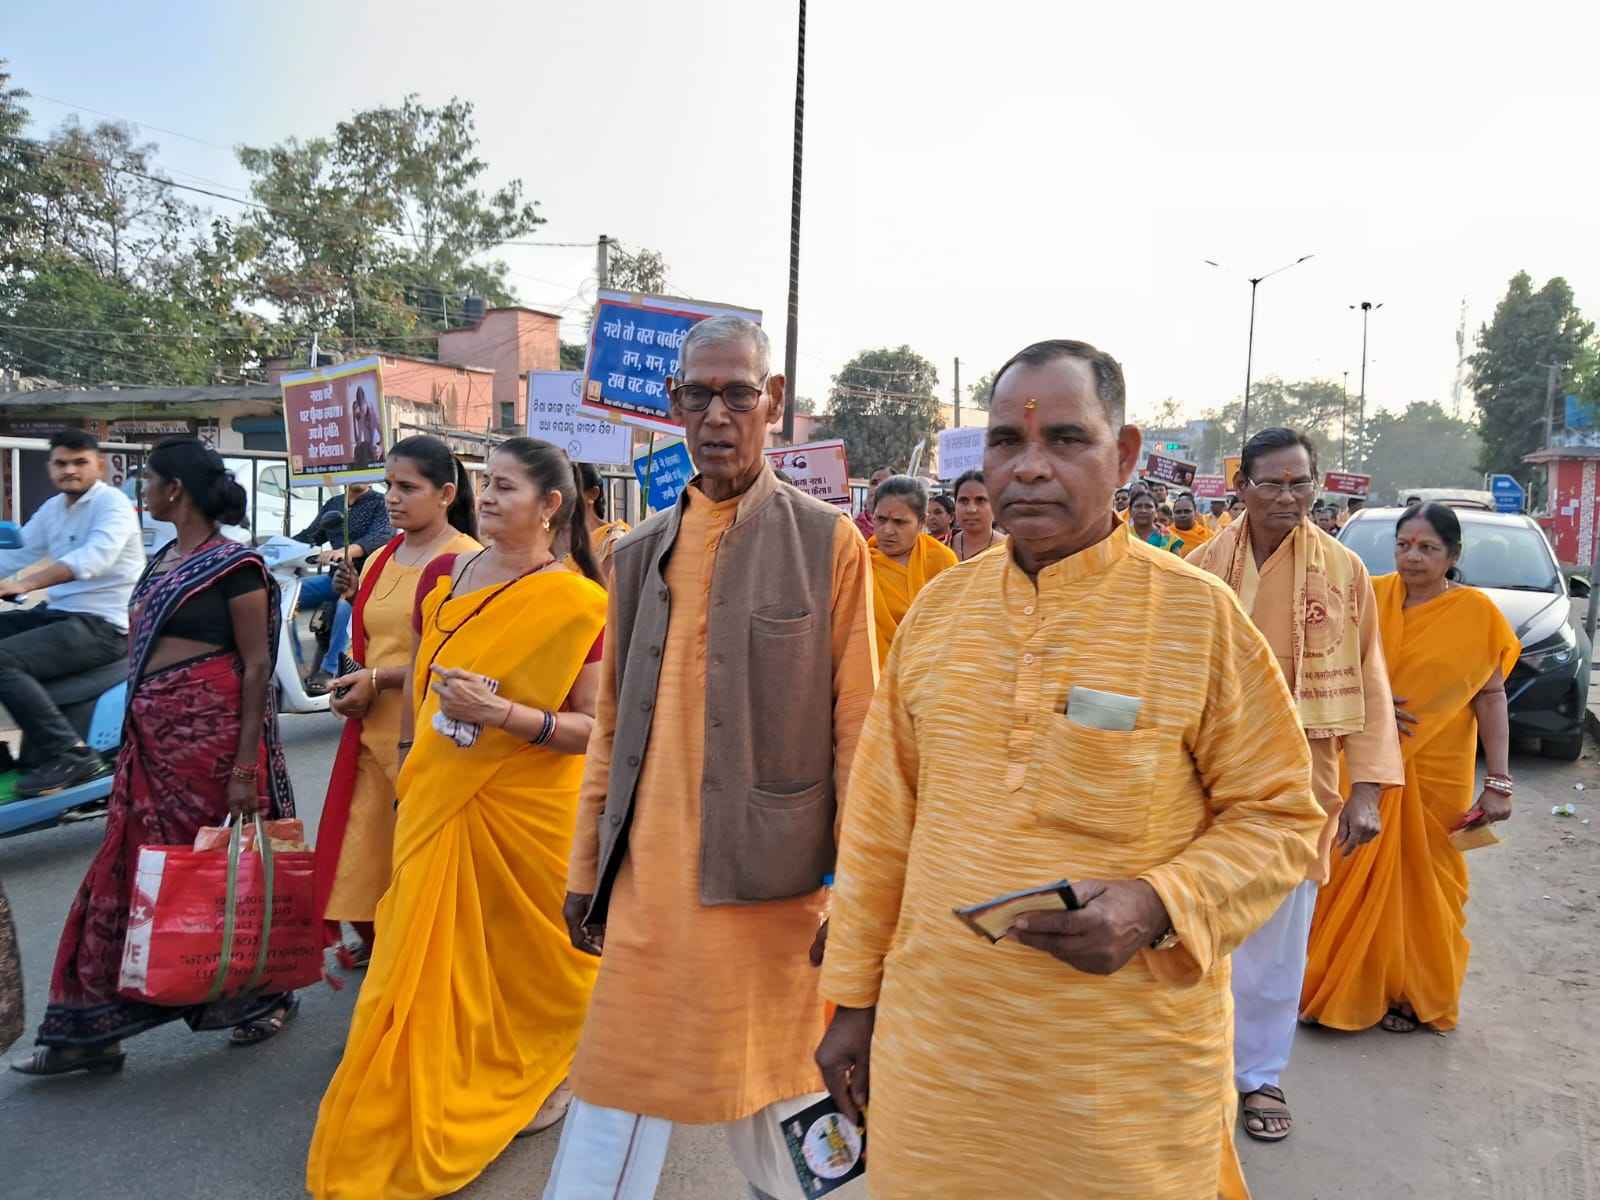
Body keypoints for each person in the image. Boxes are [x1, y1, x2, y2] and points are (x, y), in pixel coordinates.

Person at [815, 339, 1323, 1200]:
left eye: (1065, 439)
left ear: (1122, 454)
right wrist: (853, 1000)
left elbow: (1280, 814)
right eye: (1007, 443)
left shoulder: (1198, 617)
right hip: (939, 1056)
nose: (1030, 467)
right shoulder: (940, 612)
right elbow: (879, 824)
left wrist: (1156, 903)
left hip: (1118, 1076)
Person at [544, 315, 875, 1199]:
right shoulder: (636, 553)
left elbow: (860, 731)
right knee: (618, 1082)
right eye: (698, 394)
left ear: (774, 401)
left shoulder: (826, 543)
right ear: (673, 402)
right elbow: (610, 729)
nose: (718, 415)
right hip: (649, 885)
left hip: (774, 891)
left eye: (738, 394)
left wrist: (857, 897)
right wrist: (586, 869)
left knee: (787, 1088)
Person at [307, 438, 608, 1198]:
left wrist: (503, 715)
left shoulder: (579, 603)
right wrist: (412, 760)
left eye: (507, 486)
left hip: (528, 813)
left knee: (528, 962)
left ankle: (550, 1064)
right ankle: (417, 1090)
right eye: (487, 483)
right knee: (417, 955)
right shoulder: (448, 576)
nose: (491, 497)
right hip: (437, 794)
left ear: (551, 506)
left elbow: (594, 727)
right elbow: (421, 681)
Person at [13, 439, 296, 1077]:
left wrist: (245, 769)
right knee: (122, 880)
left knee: (219, 878)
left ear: (176, 490)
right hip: (152, 748)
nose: (141, 490)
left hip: (211, 752)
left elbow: (256, 667)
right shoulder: (164, 559)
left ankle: (261, 996)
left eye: (149, 480)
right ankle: (88, 1031)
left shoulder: (236, 565)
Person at [1186, 427, 1402, 1143]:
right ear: (1240, 487)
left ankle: (1258, 1074)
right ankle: (1194, 1066)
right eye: (1273, 483)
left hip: (1300, 778)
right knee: (1194, 925)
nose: (1289, 497)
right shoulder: (1198, 568)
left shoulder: (1343, 571)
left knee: (1278, 941)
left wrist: (1367, 789)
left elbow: (1369, 678)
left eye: (1301, 483)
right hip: (1205, 775)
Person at [1301, 503, 1519, 1034]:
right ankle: (1340, 985)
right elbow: (1321, 665)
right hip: (1365, 762)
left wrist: (1498, 782)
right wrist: (1367, 701)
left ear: (1453, 554)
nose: (1413, 557)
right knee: (1346, 866)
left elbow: (1491, 696)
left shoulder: (1476, 614)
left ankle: (1411, 993)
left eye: (1427, 548)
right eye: (1404, 545)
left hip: (1438, 769)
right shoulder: (1366, 597)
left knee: (1426, 884)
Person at [313, 436, 480, 969]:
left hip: (427, 741)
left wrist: (379, 678)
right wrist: (351, 685)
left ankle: (418, 974)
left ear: (446, 494)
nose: (391, 497)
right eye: (388, 485)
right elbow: (367, 641)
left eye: (408, 487)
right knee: (363, 863)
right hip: (371, 736)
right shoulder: (383, 556)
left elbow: (461, 666)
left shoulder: (467, 561)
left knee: (420, 866)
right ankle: (389, 960)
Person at [0, 430, 144, 798]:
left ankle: (71, 754)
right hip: (59, 614)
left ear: (99, 465)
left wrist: (24, 583)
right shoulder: (53, 509)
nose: (70, 470)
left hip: (104, 626)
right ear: (50, 467)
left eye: (80, 462)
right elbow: (16, 555)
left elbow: (92, 560)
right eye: (61, 463)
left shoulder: (112, 506)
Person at [294, 483, 394, 693]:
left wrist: (343, 552)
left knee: (344, 607)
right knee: (286, 595)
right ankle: (295, 665)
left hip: (365, 580)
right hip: (334, 577)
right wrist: (276, 548)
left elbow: (380, 536)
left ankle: (331, 670)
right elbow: (311, 535)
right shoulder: (334, 503)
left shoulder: (380, 503)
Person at [868, 475, 958, 663]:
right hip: (870, 671)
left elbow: (952, 629)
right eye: (881, 519)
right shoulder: (859, 561)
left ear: (921, 522)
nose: (887, 530)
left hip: (928, 669)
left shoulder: (941, 560)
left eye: (899, 522)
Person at [577, 462, 631, 577]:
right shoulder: (552, 540)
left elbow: (608, 587)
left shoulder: (612, 540)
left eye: (568, 491)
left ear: (593, 493)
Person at [951, 469, 1007, 562]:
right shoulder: (942, 546)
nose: (971, 509)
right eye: (963, 500)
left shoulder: (1011, 551)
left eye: (980, 500)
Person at [1127, 484, 1175, 551]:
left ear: (1156, 511)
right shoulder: (1122, 534)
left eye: (1148, 506)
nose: (1143, 510)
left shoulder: (1169, 539)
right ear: (1130, 511)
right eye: (1138, 506)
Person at [854, 466, 892, 540]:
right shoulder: (852, 527)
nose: (877, 487)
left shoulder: (901, 530)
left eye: (885, 484)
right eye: (874, 483)